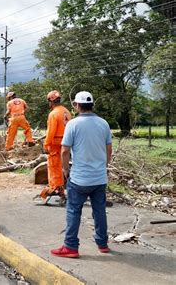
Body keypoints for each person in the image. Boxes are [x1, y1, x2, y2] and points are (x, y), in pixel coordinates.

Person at [51, 91, 112, 258]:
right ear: (92, 105)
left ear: (77, 106)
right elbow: (108, 150)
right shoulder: (103, 124)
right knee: (99, 210)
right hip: (99, 178)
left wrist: (65, 170)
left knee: (73, 210)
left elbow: (64, 151)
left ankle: (70, 247)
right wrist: (103, 167)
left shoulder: (73, 124)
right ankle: (102, 244)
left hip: (79, 179)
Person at [39, 90, 71, 201]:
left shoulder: (53, 113)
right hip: (66, 143)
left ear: (51, 101)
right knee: (61, 167)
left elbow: (50, 132)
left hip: (55, 144)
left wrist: (46, 144)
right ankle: (60, 188)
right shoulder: (66, 111)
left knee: (54, 167)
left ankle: (55, 188)